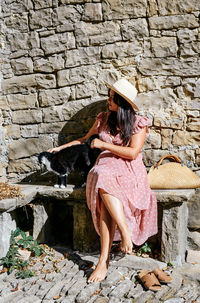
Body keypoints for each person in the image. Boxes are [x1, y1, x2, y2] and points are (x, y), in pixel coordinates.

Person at [48, 78, 158, 283]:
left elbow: (133, 153)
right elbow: (83, 140)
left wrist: (103, 146)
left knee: (103, 180)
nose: (107, 100)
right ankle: (121, 235)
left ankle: (103, 261)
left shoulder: (138, 123)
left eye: (112, 97)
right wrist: (61, 149)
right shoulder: (103, 119)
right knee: (102, 176)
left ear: (122, 102)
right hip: (104, 169)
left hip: (129, 171)